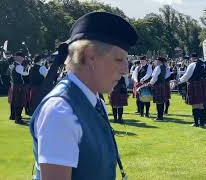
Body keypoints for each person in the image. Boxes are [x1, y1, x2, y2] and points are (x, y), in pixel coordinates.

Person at [29, 12, 137, 180]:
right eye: (118, 59)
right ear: (90, 57)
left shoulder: (93, 100)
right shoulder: (60, 112)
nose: (125, 70)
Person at [179, 53, 206, 127]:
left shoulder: (192, 64)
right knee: (201, 104)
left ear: (192, 58)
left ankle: (196, 123)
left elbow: (187, 75)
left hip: (194, 85)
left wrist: (179, 80)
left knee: (195, 104)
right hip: (204, 85)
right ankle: (202, 123)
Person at [8, 52, 29, 124]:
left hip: (13, 85)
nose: (23, 59)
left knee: (13, 102)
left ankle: (13, 116)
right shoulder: (19, 66)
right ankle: (18, 118)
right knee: (19, 103)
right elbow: (26, 74)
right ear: (19, 58)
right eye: (23, 57)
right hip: (19, 86)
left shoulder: (13, 65)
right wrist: (28, 67)